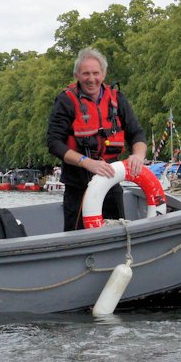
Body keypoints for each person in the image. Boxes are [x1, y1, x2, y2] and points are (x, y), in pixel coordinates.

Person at [47, 47, 147, 231]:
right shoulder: (65, 101)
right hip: (78, 186)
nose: (91, 79)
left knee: (117, 232)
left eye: (96, 73)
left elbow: (137, 134)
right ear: (77, 75)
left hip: (110, 181)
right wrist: (86, 162)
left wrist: (138, 156)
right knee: (76, 238)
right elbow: (54, 143)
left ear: (104, 74)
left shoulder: (118, 99)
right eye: (86, 73)